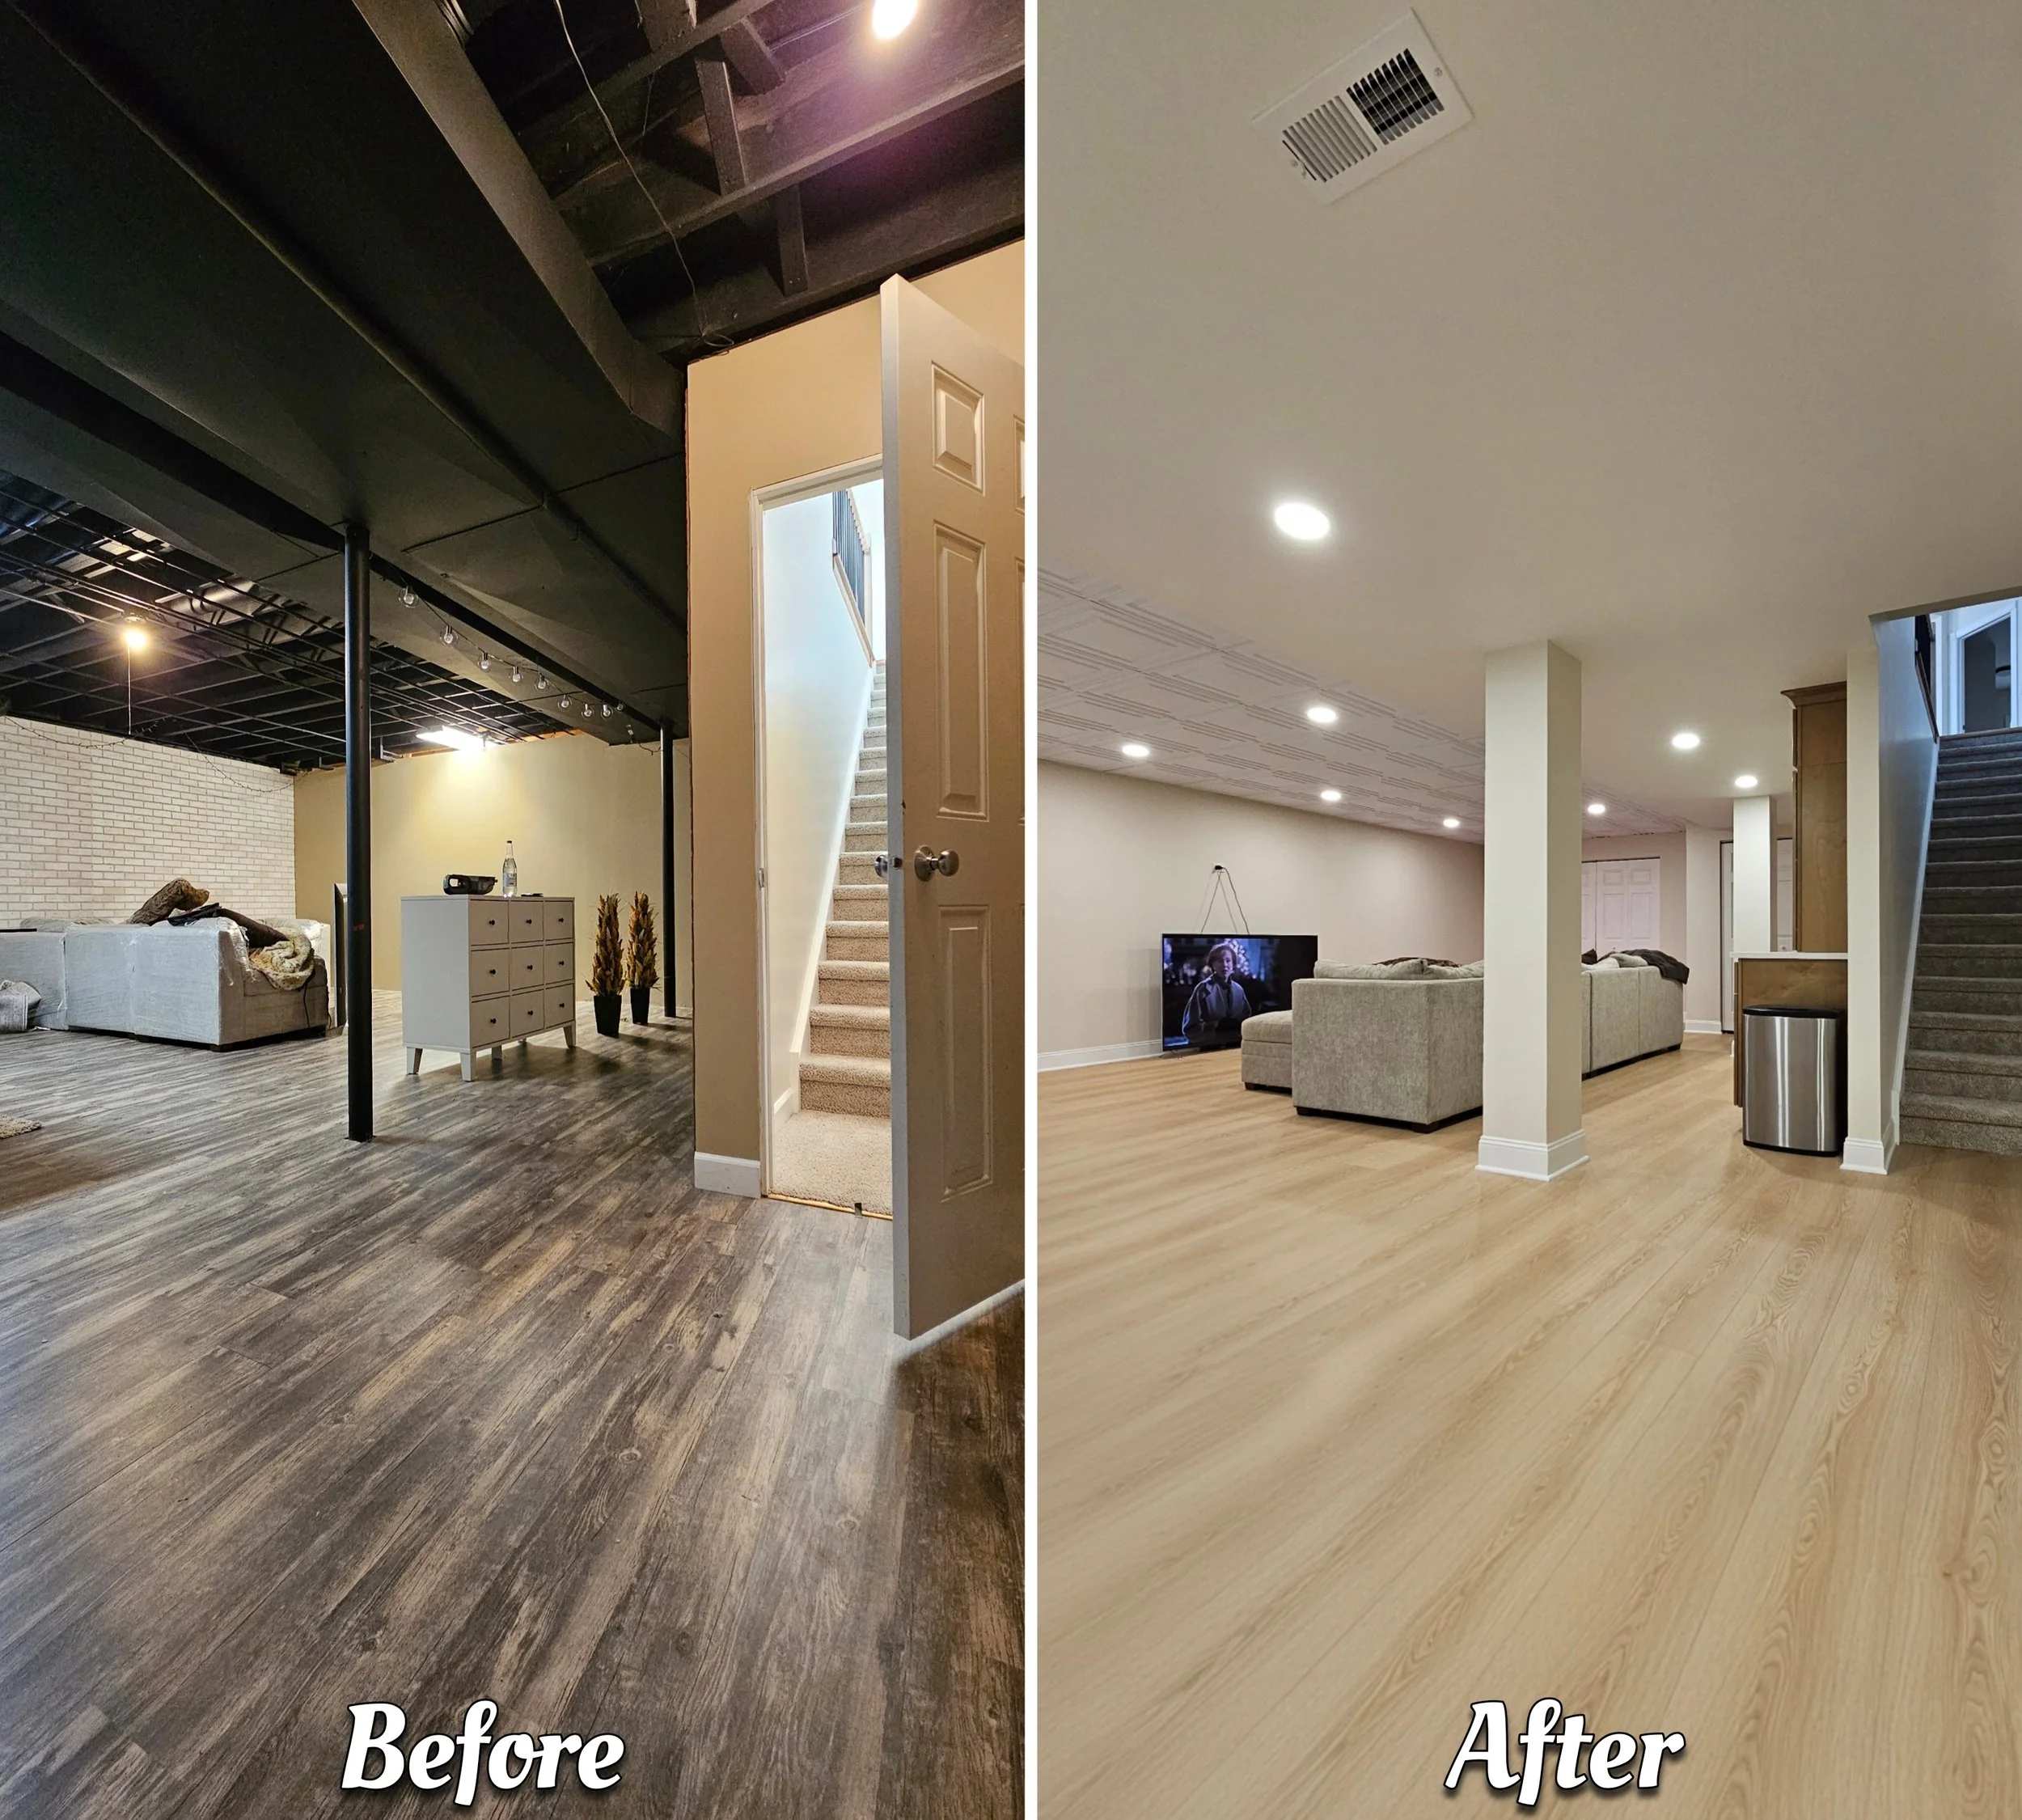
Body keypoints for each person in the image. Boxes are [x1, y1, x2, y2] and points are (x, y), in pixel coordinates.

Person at [1180, 941, 1252, 1046]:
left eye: (1228, 961)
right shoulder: (1202, 989)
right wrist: (1216, 1026)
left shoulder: (1239, 990)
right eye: (1220, 961)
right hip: (1207, 1048)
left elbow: (1247, 1023)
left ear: (1233, 964)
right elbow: (1190, 1029)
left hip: (1235, 1047)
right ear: (1213, 964)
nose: (1225, 965)